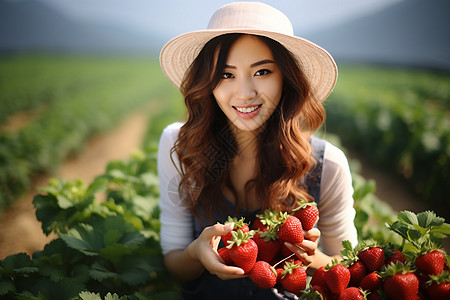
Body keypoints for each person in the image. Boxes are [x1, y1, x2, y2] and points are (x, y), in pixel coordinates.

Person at [157, 2, 358, 299]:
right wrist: (197, 253)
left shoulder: (327, 165)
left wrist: (310, 257)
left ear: (286, 78)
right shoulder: (180, 145)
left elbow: (348, 268)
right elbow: (175, 263)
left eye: (262, 71)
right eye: (226, 75)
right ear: (207, 82)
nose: (245, 92)